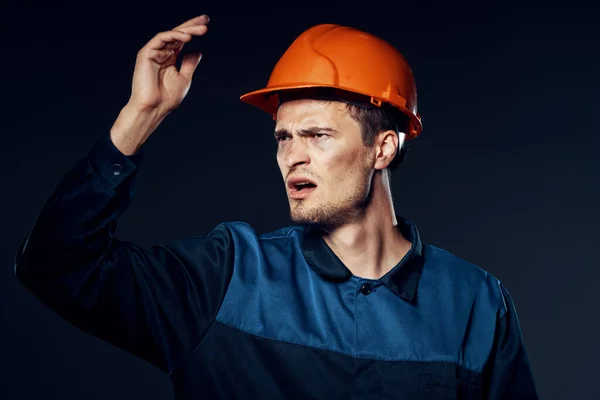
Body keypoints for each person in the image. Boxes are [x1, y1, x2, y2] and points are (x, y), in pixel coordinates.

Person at [14, 14, 539, 399]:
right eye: (283, 137)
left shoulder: (474, 302)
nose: (293, 156)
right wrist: (140, 116)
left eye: (316, 134)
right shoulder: (225, 276)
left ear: (384, 147)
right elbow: (56, 266)